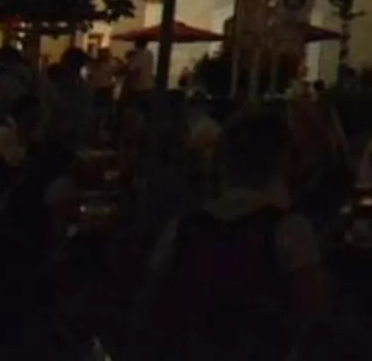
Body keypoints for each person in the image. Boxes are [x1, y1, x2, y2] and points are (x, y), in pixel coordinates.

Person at [137, 107, 326, 360]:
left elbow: (149, 309)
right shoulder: (289, 230)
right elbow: (311, 318)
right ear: (282, 161)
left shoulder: (181, 229)